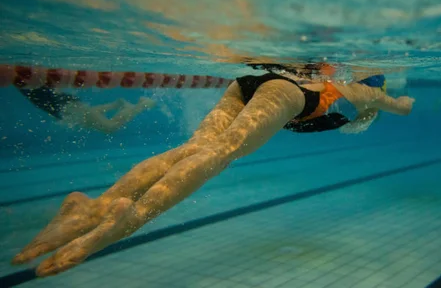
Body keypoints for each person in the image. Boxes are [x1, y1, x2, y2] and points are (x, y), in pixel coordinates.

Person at [11, 71, 414, 277]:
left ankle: (89, 209)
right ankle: (128, 219)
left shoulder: (339, 79)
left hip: (248, 82)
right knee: (221, 154)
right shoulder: (364, 91)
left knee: (194, 148)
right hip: (287, 94)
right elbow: (400, 105)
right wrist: (395, 102)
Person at [18, 86, 156, 134]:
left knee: (109, 127)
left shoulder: (26, 77)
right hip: (64, 108)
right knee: (88, 116)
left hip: (66, 106)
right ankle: (116, 104)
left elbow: (55, 88)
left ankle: (141, 105)